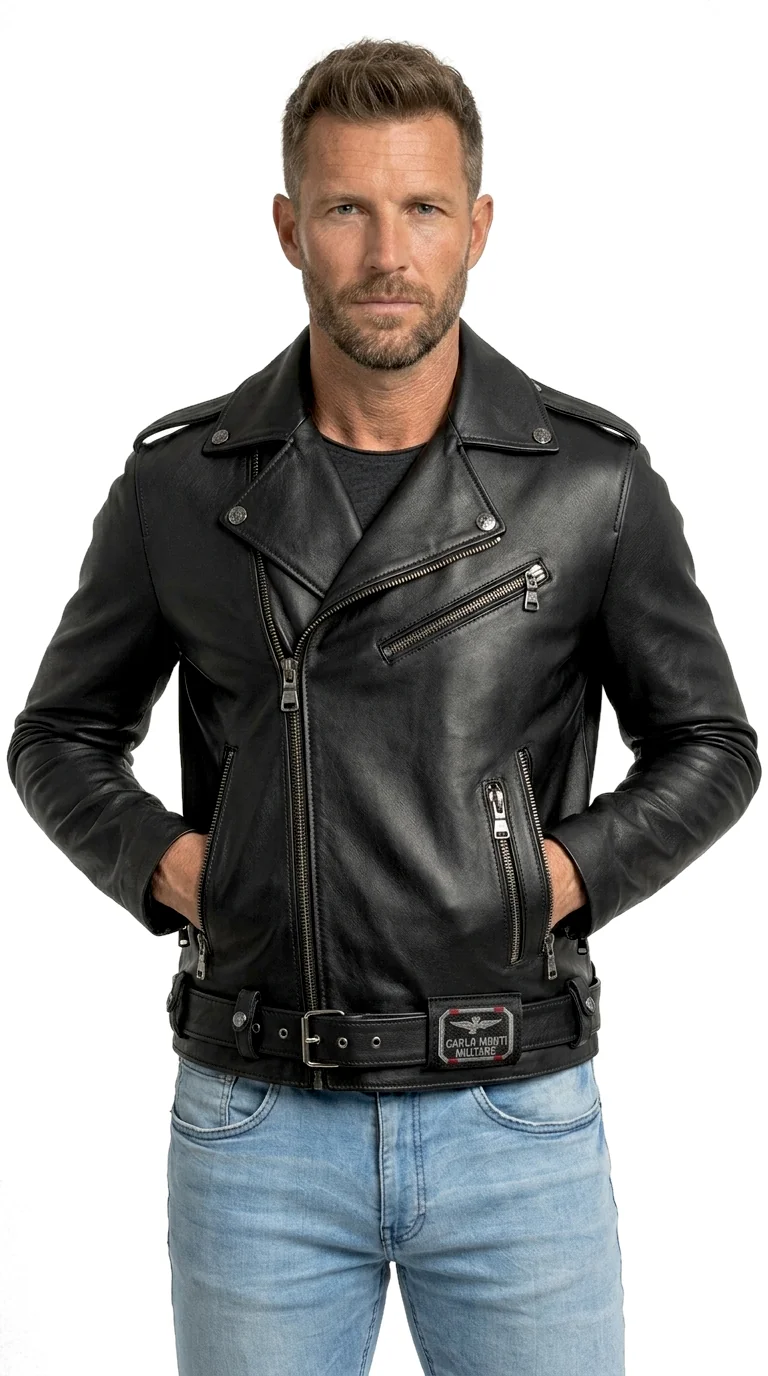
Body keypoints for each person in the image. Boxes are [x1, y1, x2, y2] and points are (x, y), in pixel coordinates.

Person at [7, 36, 760, 1376]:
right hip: (256, 1119)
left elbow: (709, 744)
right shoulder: (182, 484)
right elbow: (59, 736)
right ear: (288, 227)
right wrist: (180, 868)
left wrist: (552, 879)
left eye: (422, 208)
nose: (388, 255)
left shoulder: (587, 480)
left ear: (479, 226)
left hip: (515, 1111)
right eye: (347, 208)